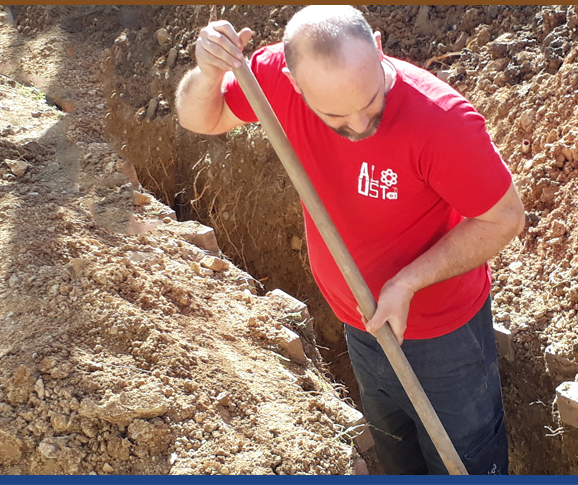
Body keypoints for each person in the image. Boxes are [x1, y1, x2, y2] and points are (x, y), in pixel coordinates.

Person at [175, 5, 524, 475]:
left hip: (444, 337)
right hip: (358, 321)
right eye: (337, 113)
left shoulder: (441, 122)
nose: (361, 124)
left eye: (371, 100)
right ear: (296, 85)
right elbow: (202, 118)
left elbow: (504, 219)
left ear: (378, 47)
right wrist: (207, 72)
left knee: (465, 460)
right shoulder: (273, 78)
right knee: (397, 451)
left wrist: (406, 283)